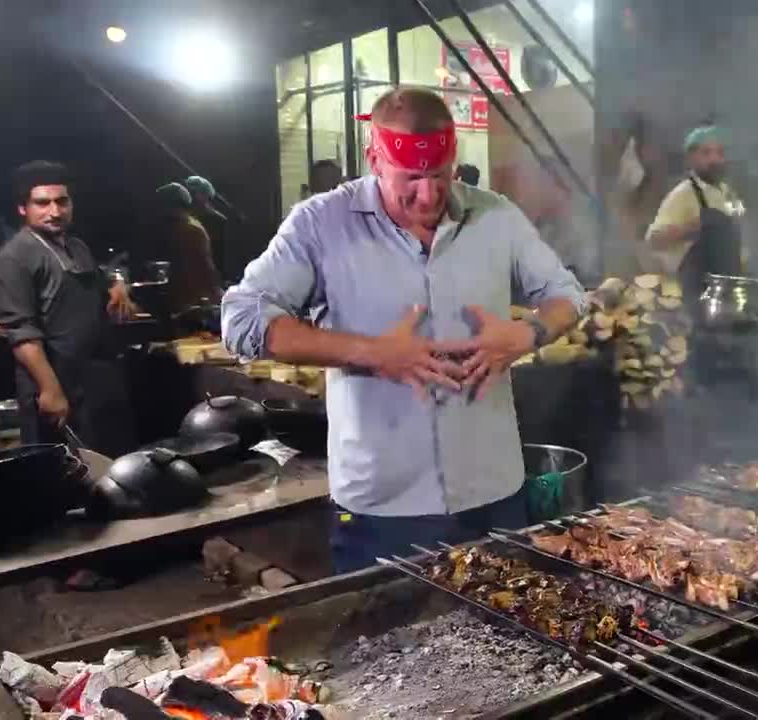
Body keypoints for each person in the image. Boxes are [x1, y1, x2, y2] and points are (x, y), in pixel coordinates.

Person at [221, 88, 585, 574]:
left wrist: (530, 333)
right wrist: (371, 351)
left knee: (513, 638)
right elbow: (241, 320)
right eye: (410, 179)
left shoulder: (496, 215)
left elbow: (568, 295)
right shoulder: (321, 224)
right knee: (391, 642)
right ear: (374, 158)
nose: (429, 195)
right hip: (383, 507)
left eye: (440, 175)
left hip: (494, 493)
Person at [0, 161, 137, 456]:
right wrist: (50, 390)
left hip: (95, 377)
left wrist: (117, 282)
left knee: (113, 467)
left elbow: (102, 276)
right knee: (67, 476)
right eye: (42, 203)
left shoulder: (76, 246)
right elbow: (21, 334)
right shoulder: (15, 257)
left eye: (62, 201)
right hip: (57, 382)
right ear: (23, 208)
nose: (55, 211)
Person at [646, 125, 746, 300]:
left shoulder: (728, 192)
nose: (715, 159)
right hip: (696, 295)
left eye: (720, 153)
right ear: (691, 159)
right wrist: (694, 227)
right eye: (706, 153)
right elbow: (654, 240)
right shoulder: (683, 194)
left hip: (729, 290)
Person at [155, 182, 222, 312]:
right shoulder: (186, 227)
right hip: (182, 302)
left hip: (188, 304)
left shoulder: (191, 230)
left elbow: (206, 268)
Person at [185, 175, 229, 281]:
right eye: (189, 192)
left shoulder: (217, 220)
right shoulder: (185, 218)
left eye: (195, 192)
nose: (192, 196)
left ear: (205, 195)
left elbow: (220, 254)